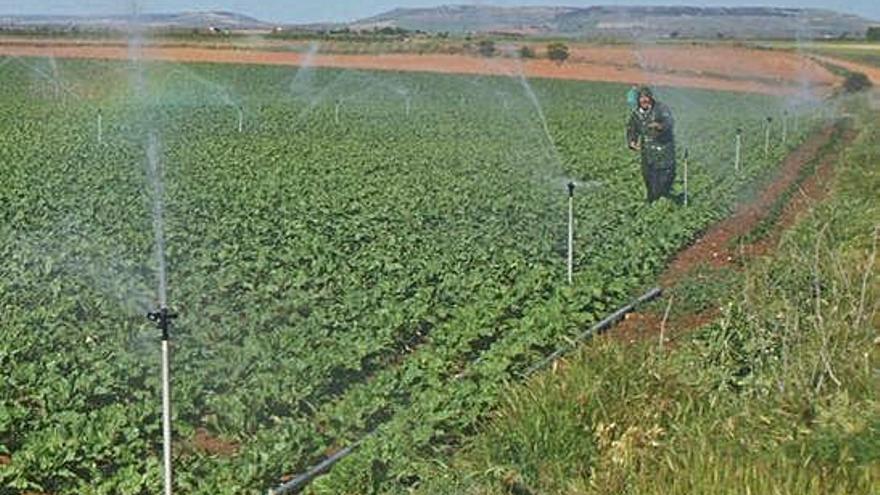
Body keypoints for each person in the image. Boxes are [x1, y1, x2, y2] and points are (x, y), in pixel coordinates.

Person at [626, 86, 677, 203]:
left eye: (646, 97)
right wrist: (632, 141)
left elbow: (669, 122)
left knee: (664, 177)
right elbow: (631, 129)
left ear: (650, 97)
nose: (644, 100)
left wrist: (660, 126)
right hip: (647, 152)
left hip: (664, 150)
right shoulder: (636, 114)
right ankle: (652, 201)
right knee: (649, 178)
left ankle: (664, 199)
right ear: (638, 100)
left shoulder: (660, 109)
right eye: (641, 98)